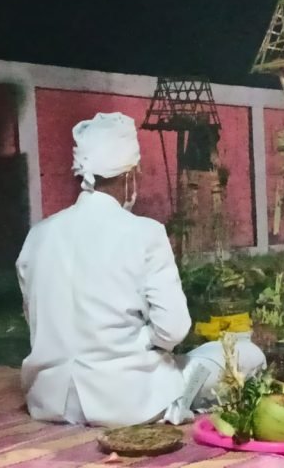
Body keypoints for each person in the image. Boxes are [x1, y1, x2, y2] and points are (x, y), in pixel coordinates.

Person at [16, 112, 264, 428]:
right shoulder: (145, 233)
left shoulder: (38, 235)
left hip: (49, 401)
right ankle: (183, 405)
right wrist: (135, 340)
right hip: (126, 402)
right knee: (248, 353)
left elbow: (36, 322)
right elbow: (173, 330)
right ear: (130, 174)